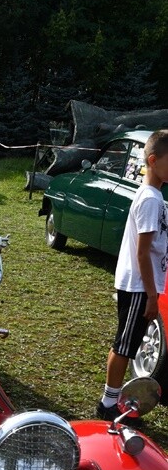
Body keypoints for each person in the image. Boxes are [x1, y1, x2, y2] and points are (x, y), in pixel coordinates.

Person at [96, 129, 168, 420]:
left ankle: (113, 401)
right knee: (124, 345)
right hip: (139, 285)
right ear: (153, 160)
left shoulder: (156, 197)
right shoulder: (150, 199)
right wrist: (152, 295)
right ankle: (108, 405)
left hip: (144, 285)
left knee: (130, 342)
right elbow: (142, 252)